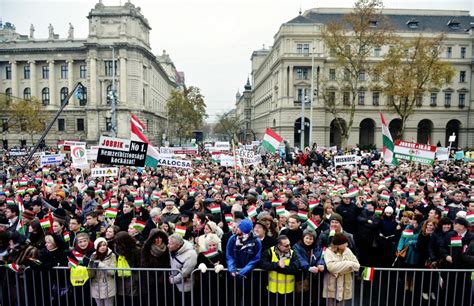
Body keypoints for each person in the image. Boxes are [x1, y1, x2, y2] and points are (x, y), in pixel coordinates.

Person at [226, 219, 262, 306]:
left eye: (239, 227)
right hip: (234, 276)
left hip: (249, 276)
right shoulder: (232, 239)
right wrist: (232, 269)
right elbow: (229, 255)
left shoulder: (256, 241)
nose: (236, 229)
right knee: (234, 300)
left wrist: (242, 272)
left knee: (248, 300)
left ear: (244, 230)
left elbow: (255, 259)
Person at [260, 235, 300, 306]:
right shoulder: (269, 251)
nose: (289, 247)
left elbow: (295, 268)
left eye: (289, 244)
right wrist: (277, 264)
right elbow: (263, 264)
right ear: (279, 245)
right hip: (272, 290)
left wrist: (279, 268)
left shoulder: (293, 253)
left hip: (288, 291)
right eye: (286, 246)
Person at [322, 233, 360, 306]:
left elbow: (357, 266)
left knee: (342, 304)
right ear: (338, 244)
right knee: (330, 303)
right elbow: (331, 267)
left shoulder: (348, 251)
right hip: (332, 282)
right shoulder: (328, 252)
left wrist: (339, 268)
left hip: (345, 282)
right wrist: (349, 264)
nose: (347, 245)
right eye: (345, 243)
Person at [140, 229, 170, 306]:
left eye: (160, 238)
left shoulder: (166, 249)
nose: (159, 240)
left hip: (162, 280)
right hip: (149, 280)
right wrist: (150, 279)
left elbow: (167, 264)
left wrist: (162, 278)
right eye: (156, 238)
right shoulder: (146, 248)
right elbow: (144, 265)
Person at [168, 233, 197, 306]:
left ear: (178, 245)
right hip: (174, 284)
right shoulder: (173, 249)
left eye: (170, 244)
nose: (168, 245)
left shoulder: (191, 254)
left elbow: (185, 272)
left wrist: (172, 280)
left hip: (185, 287)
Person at [114, 231, 140, 306]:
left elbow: (138, 264)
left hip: (133, 277)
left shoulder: (135, 250)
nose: (117, 244)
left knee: (132, 298)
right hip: (121, 277)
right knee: (122, 297)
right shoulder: (117, 250)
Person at [88, 237, 116, 306]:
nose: (102, 247)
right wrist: (91, 267)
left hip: (108, 286)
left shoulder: (112, 255)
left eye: (104, 245)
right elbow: (91, 275)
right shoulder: (93, 256)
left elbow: (112, 272)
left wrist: (100, 264)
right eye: (100, 246)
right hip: (96, 286)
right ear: (96, 247)